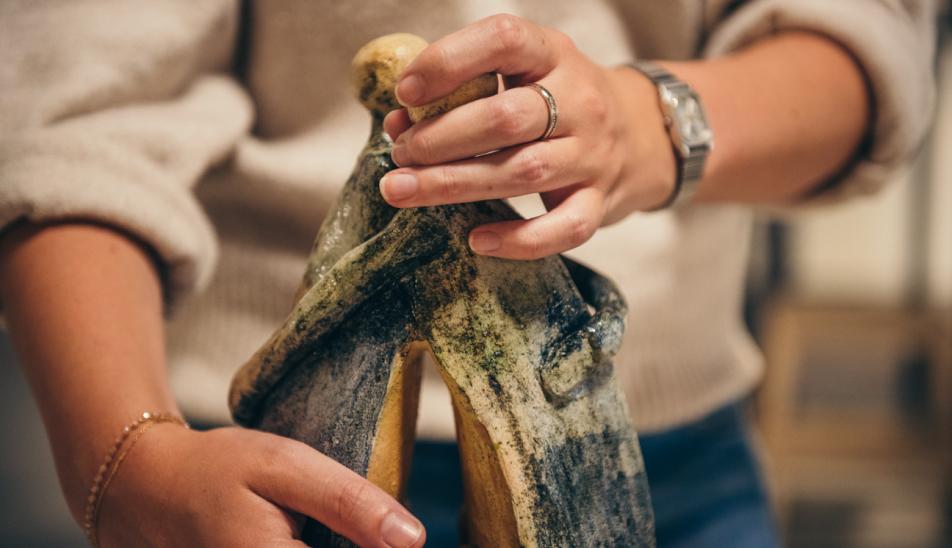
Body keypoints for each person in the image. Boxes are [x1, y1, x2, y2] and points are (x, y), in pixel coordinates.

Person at [0, 1, 935, 547]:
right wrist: (119, 452)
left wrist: (647, 121)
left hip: (663, 460)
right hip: (241, 477)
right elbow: (73, 107)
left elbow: (867, 41)